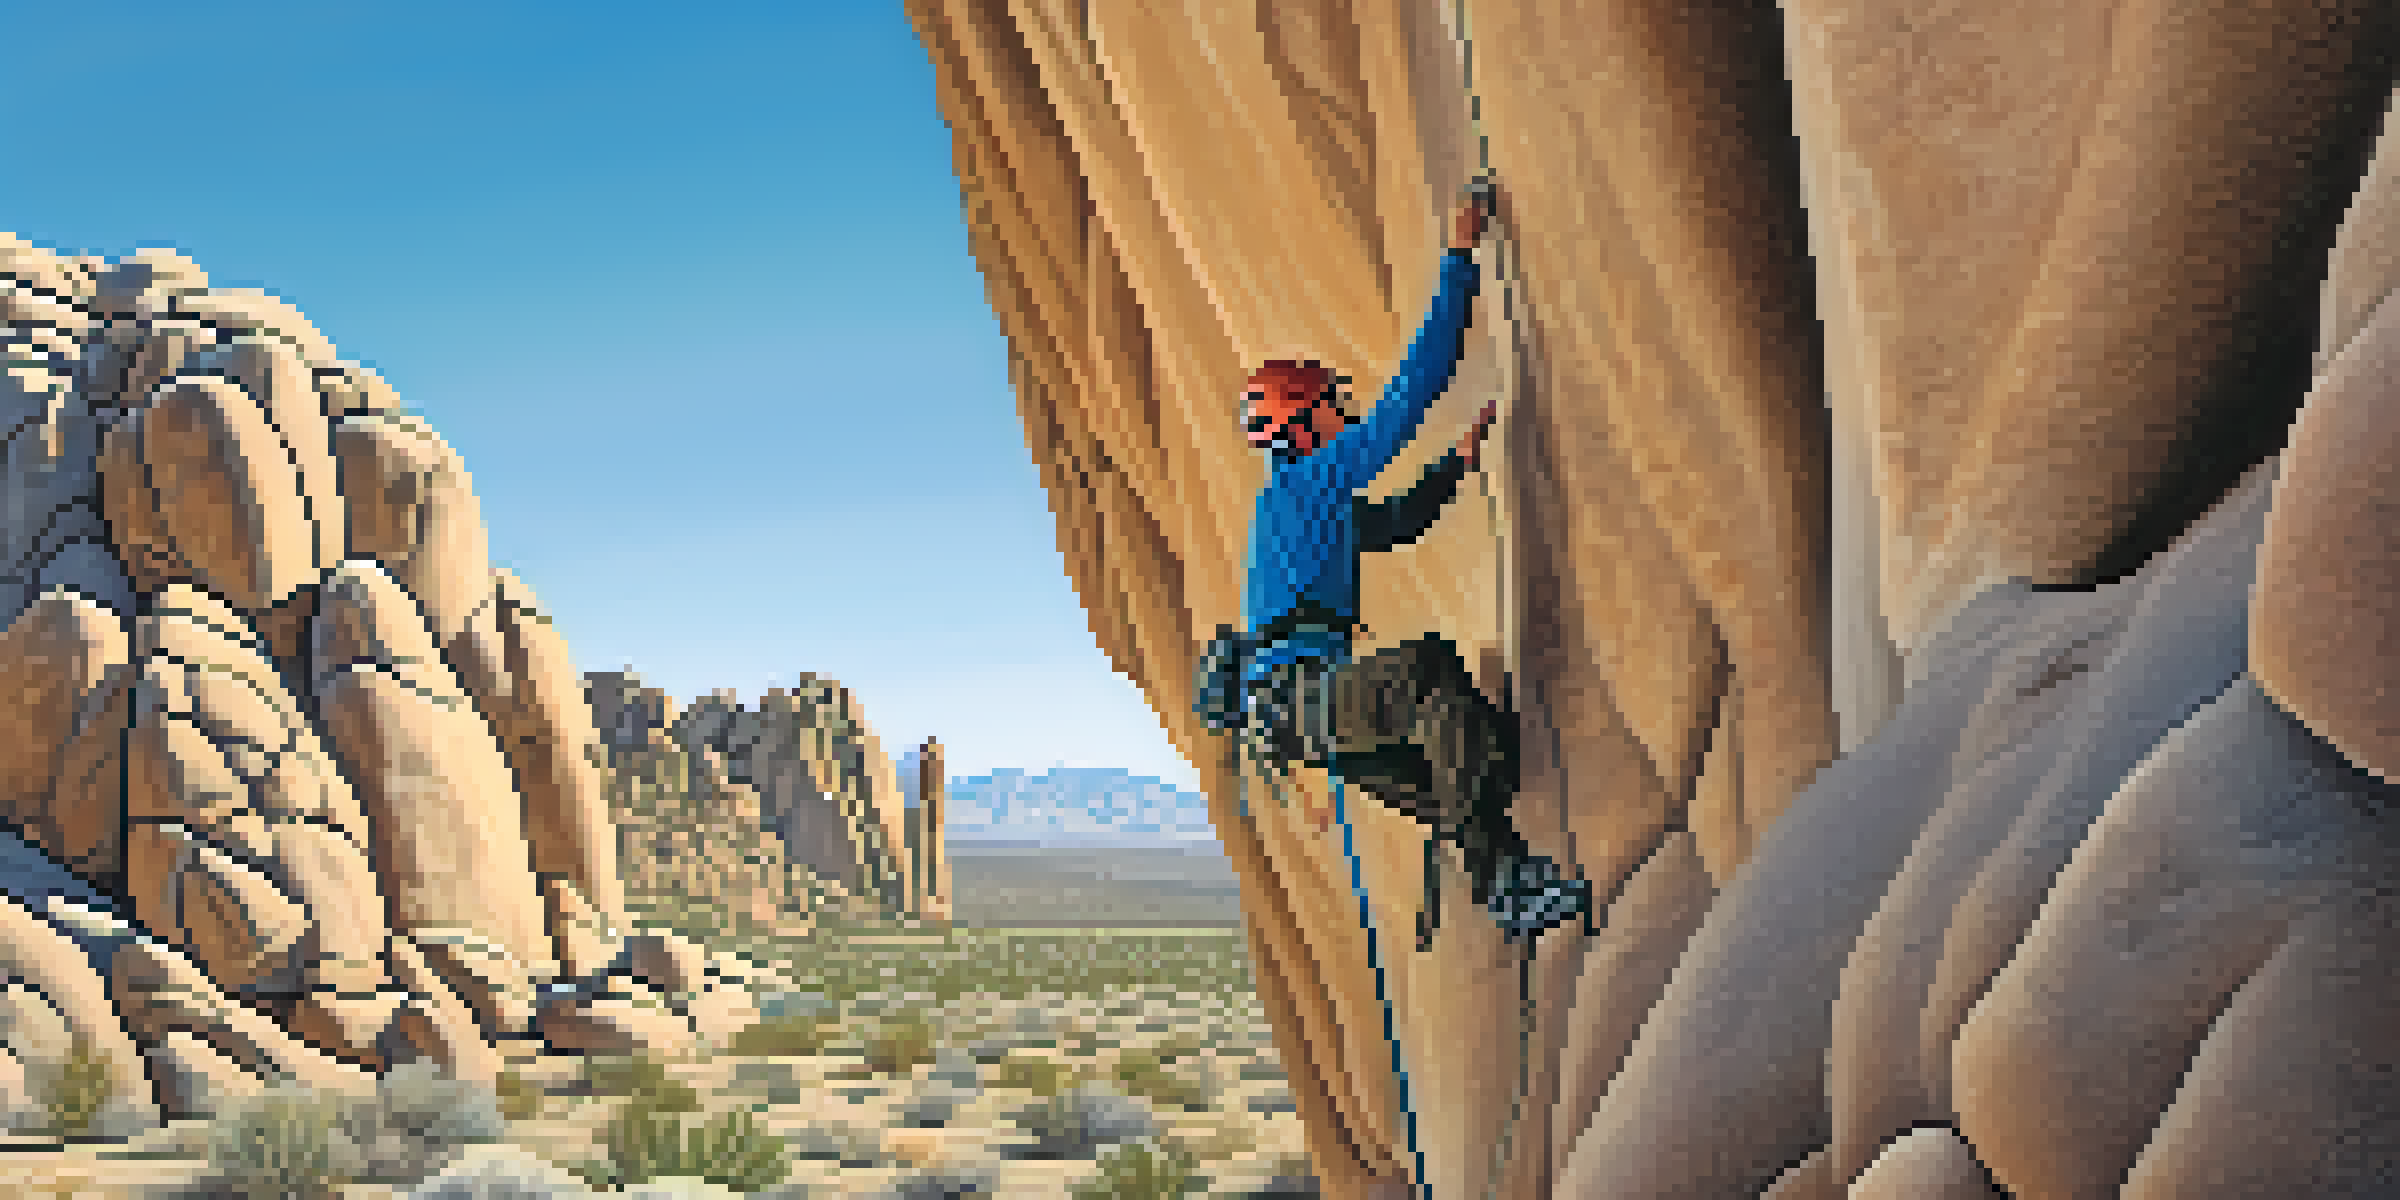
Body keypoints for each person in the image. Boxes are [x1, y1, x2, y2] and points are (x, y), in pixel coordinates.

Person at [1194, 184, 1592, 950]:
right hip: (1311, 702)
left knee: (1476, 764)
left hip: (1305, 722)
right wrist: (1459, 259)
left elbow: (1399, 522)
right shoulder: (1308, 483)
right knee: (1429, 678)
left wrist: (1457, 465)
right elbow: (1405, 406)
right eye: (1329, 406)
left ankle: (1509, 880)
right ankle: (1504, 884)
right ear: (1303, 422)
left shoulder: (1302, 511)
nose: (1343, 414)